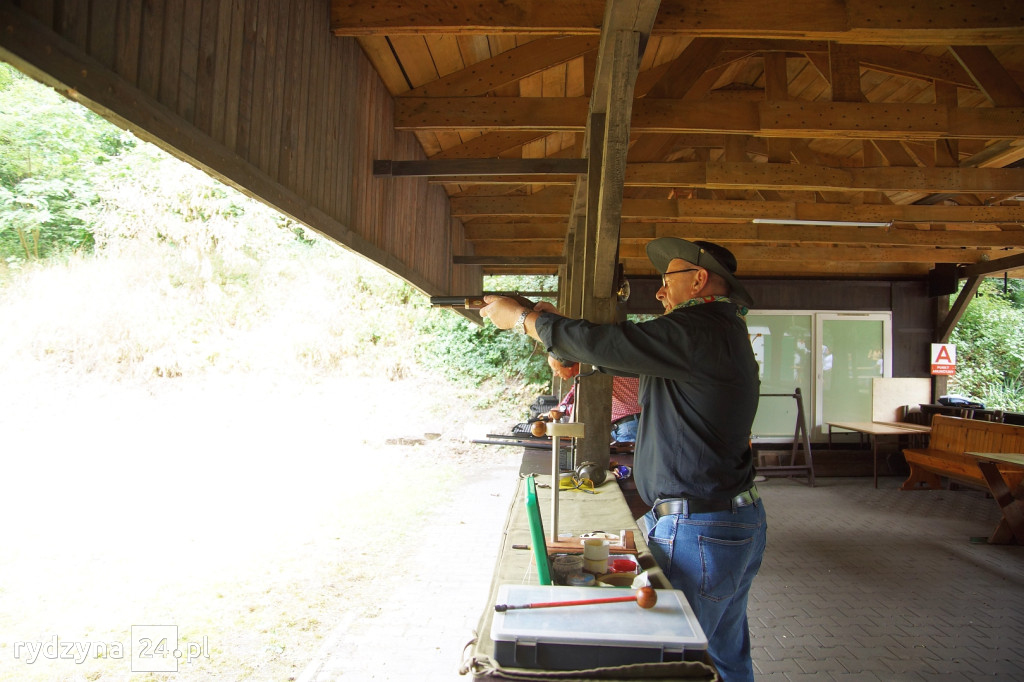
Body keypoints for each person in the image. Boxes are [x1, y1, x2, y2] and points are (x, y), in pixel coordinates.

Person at [480, 238, 765, 682]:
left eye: (667, 280)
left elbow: (613, 341)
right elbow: (625, 354)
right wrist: (572, 350)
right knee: (726, 661)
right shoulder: (714, 332)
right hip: (723, 522)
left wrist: (524, 320)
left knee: (682, 666)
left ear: (699, 278)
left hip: (702, 528)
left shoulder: (697, 328)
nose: (659, 291)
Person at [547, 354, 641, 444]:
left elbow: (586, 404)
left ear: (568, 365)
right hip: (628, 424)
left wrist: (564, 410)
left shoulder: (592, 372)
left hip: (629, 426)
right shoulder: (586, 373)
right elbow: (575, 390)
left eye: (556, 370)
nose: (555, 374)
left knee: (626, 460)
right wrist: (560, 408)